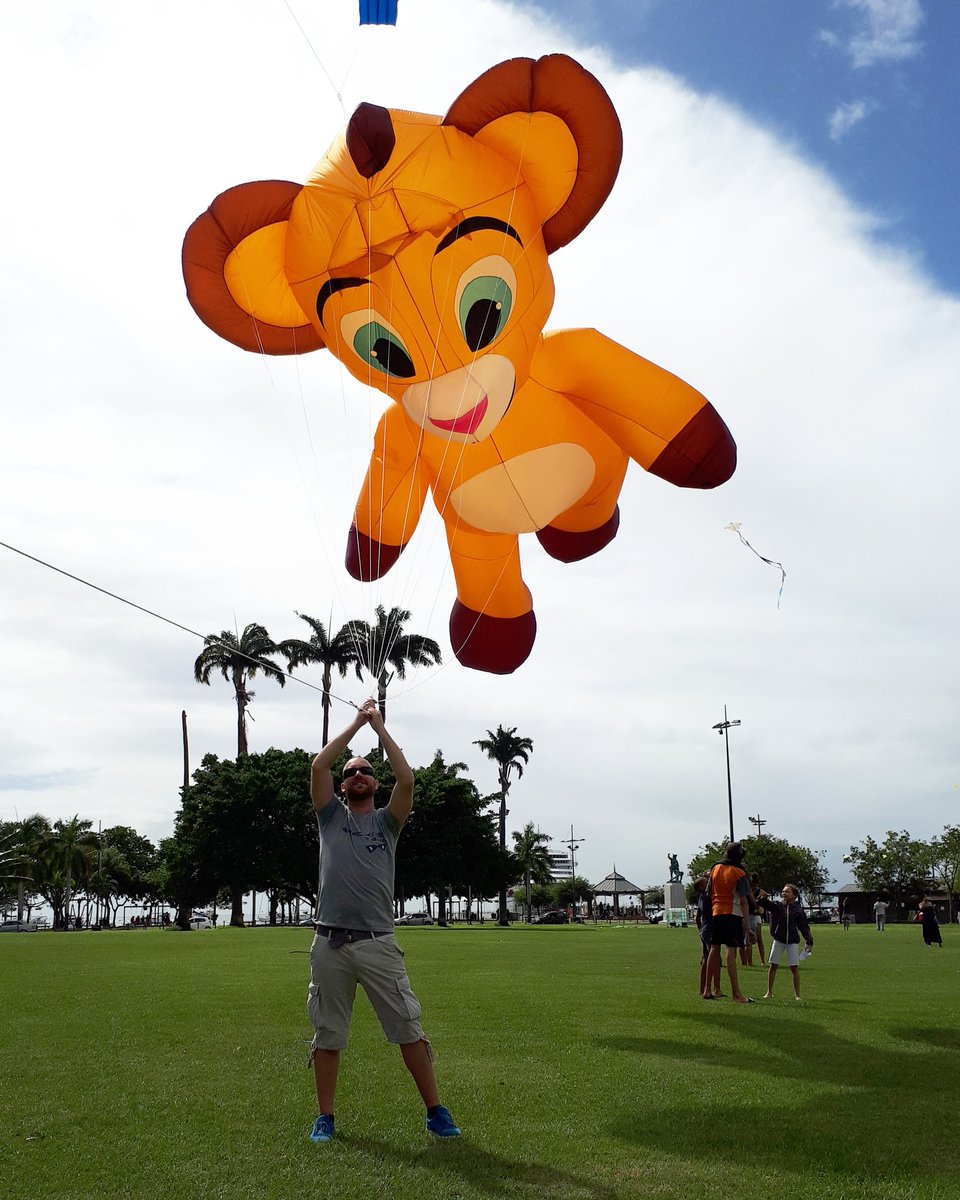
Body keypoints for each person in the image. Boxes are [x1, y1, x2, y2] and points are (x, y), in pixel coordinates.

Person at [305, 699, 460, 1144]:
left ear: (374, 783)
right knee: (328, 1033)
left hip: (378, 942)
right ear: (343, 785)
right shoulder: (329, 816)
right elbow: (319, 766)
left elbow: (407, 778)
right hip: (330, 942)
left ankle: (435, 1112)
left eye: (364, 771)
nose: (356, 775)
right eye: (350, 772)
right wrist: (356, 721)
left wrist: (380, 727)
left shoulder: (388, 823)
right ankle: (326, 1118)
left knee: (408, 1028)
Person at [705, 842, 754, 1004]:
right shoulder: (739, 872)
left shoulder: (715, 868)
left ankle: (707, 989)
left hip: (716, 912)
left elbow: (708, 892)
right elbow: (743, 901)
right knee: (730, 951)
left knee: (714, 948)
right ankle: (736, 993)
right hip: (732, 913)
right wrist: (747, 926)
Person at [758, 884, 813, 1001]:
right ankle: (769, 992)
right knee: (773, 965)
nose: (784, 894)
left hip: (792, 941)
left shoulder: (798, 910)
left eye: (787, 892)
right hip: (778, 940)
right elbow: (764, 904)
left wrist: (809, 940)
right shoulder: (777, 906)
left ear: (794, 895)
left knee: (794, 967)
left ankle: (797, 995)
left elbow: (804, 927)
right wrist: (762, 898)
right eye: (783, 892)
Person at [694, 875, 722, 999]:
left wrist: (701, 930)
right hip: (711, 929)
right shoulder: (708, 896)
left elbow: (697, 918)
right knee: (715, 958)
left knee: (705, 959)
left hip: (704, 930)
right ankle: (715, 989)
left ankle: (702, 988)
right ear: (701, 886)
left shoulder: (701, 898)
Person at [747, 872, 766, 966]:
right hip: (749, 914)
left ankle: (762, 961)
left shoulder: (759, 891)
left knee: (758, 938)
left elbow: (763, 902)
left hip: (756, 915)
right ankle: (750, 962)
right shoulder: (747, 891)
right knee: (750, 939)